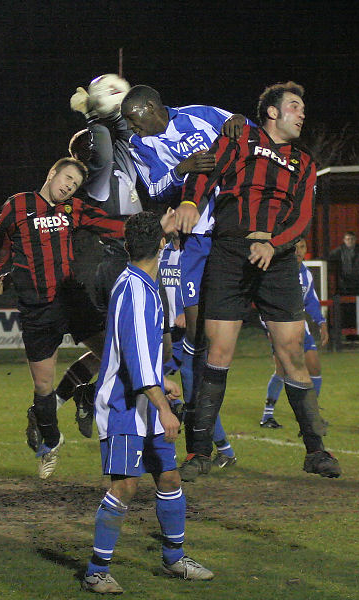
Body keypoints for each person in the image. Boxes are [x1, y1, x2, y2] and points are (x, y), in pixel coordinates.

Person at [175, 81, 341, 478]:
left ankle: (316, 451)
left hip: (278, 258)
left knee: (291, 354)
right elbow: (204, 173)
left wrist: (274, 243)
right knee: (216, 353)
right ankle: (199, 454)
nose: (302, 114)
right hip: (229, 253)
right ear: (271, 111)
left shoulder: (305, 161)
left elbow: (301, 216)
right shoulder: (239, 139)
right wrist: (189, 202)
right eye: (295, 106)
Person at [120, 85, 247, 481]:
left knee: (202, 345)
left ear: (152, 109)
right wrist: (182, 168)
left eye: (134, 119)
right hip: (192, 240)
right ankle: (207, 446)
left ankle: (208, 444)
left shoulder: (200, 112)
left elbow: (247, 133)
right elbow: (155, 189)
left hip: (232, 228)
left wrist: (241, 122)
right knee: (193, 342)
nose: (131, 128)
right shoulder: (141, 146)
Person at [82, 212, 212, 595]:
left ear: (126, 247)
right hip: (125, 405)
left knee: (169, 478)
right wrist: (163, 407)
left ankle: (175, 558)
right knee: (124, 487)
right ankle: (95, 570)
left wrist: (163, 381)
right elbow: (137, 361)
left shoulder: (141, 282)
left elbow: (139, 355)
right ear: (160, 244)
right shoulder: (137, 291)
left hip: (145, 397)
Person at [0, 158, 126, 479]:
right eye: (67, 178)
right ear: (52, 173)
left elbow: (111, 224)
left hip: (71, 298)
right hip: (38, 308)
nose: (69, 186)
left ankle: (87, 394)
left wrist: (151, 228)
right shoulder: (19, 205)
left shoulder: (72, 210)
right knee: (42, 386)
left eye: (75, 184)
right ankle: (51, 445)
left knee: (116, 354)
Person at [53, 78, 149, 437]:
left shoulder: (117, 162)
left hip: (126, 259)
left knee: (114, 349)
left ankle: (75, 396)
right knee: (125, 349)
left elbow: (122, 136)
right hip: (102, 267)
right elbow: (106, 147)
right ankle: (98, 403)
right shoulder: (95, 177)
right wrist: (95, 116)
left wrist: (113, 109)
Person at [159, 233, 237, 467]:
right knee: (152, 385)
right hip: (165, 336)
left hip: (188, 336)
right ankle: (174, 416)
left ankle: (224, 450)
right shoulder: (163, 253)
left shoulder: (197, 253)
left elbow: (204, 288)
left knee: (194, 393)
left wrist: (189, 312)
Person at [260, 238, 329, 427]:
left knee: (314, 368)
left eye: (302, 247)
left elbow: (311, 302)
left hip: (300, 329)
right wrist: (268, 326)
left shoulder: (306, 274)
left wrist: (321, 322)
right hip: (280, 328)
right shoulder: (278, 271)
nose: (299, 251)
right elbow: (263, 301)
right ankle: (267, 416)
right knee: (282, 371)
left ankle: (310, 415)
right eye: (295, 247)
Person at [328, 231, 359, 296]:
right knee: (346, 304)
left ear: (355, 240)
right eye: (348, 239)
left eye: (352, 239)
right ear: (344, 240)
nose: (350, 241)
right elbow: (328, 256)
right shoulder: (340, 250)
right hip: (345, 285)